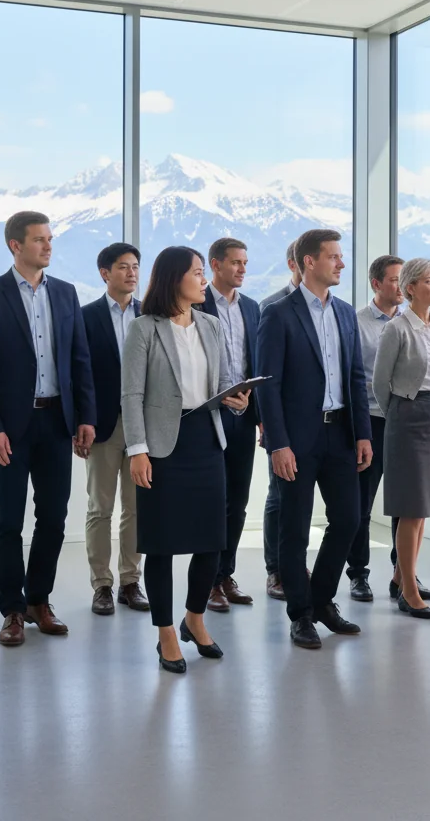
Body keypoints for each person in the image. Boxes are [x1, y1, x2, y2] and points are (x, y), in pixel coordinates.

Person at [0, 211, 96, 648]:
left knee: (54, 518)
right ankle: (12, 611)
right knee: (7, 521)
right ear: (15, 245)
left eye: (50, 238)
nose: (48, 246)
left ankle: (39, 601)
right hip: (9, 429)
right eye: (39, 239)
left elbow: (80, 361)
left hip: (57, 421)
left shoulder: (65, 293)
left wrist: (85, 417)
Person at [121, 246, 250, 674]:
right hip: (160, 447)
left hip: (205, 441)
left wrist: (235, 399)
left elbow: (219, 383)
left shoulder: (210, 325)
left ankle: (194, 618)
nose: (202, 280)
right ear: (175, 277)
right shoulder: (143, 328)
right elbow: (132, 395)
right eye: (197, 272)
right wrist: (137, 450)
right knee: (161, 547)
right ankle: (166, 634)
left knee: (211, 540)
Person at [257, 228, 373, 649]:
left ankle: (322, 599)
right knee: (295, 529)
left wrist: (362, 433)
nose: (341, 263)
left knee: (348, 520)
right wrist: (278, 444)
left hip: (341, 434)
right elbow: (267, 386)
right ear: (309, 261)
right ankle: (301, 613)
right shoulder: (277, 313)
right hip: (297, 441)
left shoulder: (344, 313)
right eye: (334, 257)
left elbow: (356, 376)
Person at [372, 258, 430, 620]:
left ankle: (402, 576)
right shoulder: (397, 329)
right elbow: (379, 383)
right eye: (428, 281)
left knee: (425, 508)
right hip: (407, 417)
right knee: (411, 509)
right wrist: (399, 416)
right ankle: (409, 590)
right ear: (410, 287)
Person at [79, 242, 148, 616]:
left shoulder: (150, 315)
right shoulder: (85, 316)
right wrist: (81, 421)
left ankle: (130, 581)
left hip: (141, 426)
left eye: (136, 266)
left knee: (136, 508)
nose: (132, 273)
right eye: (123, 267)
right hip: (102, 425)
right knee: (100, 508)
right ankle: (101, 585)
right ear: (105, 273)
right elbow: (79, 374)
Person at [200, 237, 261, 613]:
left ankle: (225, 575)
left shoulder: (251, 309)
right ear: (215, 264)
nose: (241, 268)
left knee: (237, 501)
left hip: (245, 413)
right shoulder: (194, 303)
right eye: (235, 262)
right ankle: (207, 582)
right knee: (212, 501)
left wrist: (257, 410)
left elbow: (257, 362)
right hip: (208, 415)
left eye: (245, 262)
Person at [349, 254, 404, 603]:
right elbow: (353, 380)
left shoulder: (415, 322)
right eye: (396, 279)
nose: (402, 286)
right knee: (361, 505)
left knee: (405, 504)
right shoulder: (356, 323)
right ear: (376, 283)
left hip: (406, 423)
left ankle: (403, 575)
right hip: (371, 422)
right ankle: (358, 575)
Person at [259, 240, 303, 601]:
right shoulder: (272, 306)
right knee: (278, 496)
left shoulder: (334, 309)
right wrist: (267, 424)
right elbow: (265, 373)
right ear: (296, 263)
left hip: (317, 425)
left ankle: (294, 564)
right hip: (281, 422)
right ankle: (276, 569)